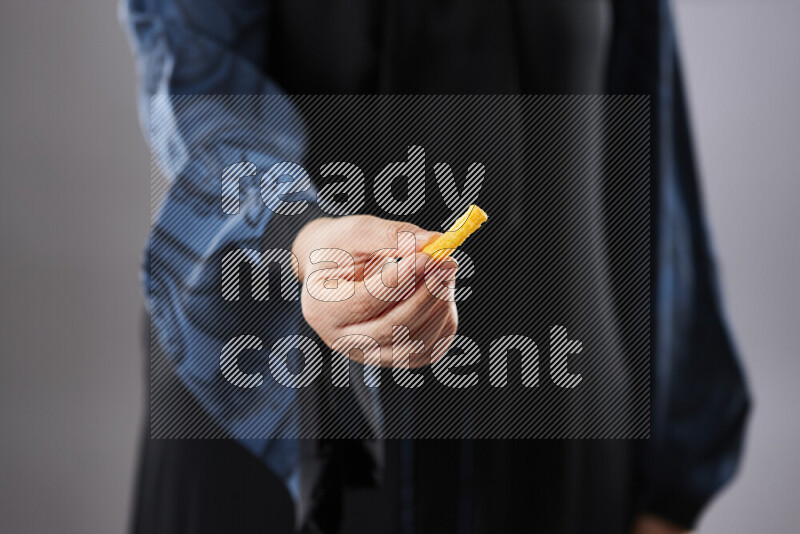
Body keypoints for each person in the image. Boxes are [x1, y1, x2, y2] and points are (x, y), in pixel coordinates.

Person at [122, 1, 750, 533]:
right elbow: (202, 87)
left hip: (558, 451)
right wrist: (298, 241)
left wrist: (670, 485)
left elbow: (644, 137)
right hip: (278, 426)